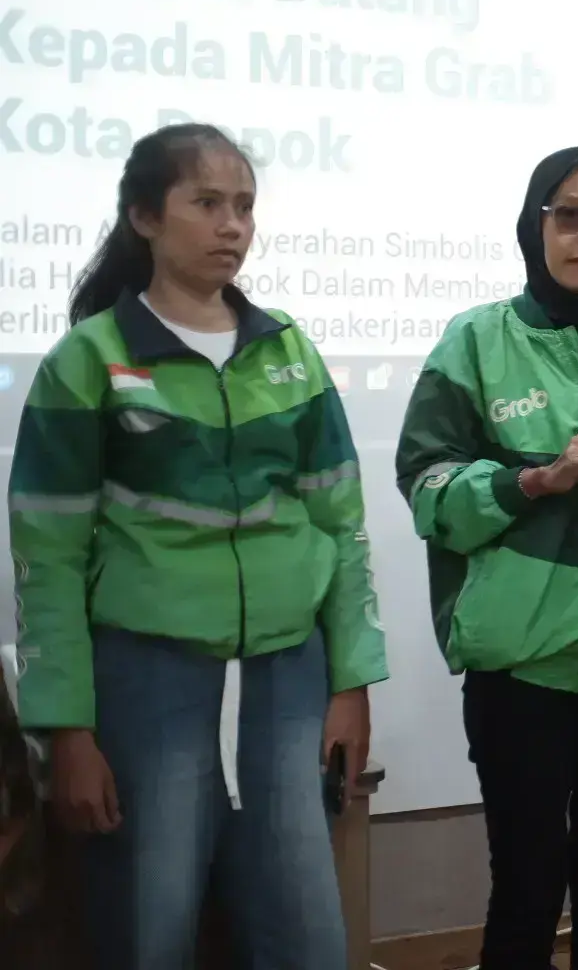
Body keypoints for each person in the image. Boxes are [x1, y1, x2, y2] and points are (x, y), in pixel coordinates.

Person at [7, 123, 386, 968]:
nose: (232, 226)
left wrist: (352, 680)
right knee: (150, 926)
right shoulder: (90, 359)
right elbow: (48, 559)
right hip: (148, 676)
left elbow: (342, 527)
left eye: (244, 206)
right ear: (145, 216)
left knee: (306, 936)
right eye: (207, 203)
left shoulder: (288, 352)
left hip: (288, 676)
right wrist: (67, 729)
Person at [394, 147, 578, 970]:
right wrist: (536, 479)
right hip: (521, 666)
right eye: (571, 216)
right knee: (526, 884)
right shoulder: (477, 341)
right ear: (537, 228)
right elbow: (425, 486)